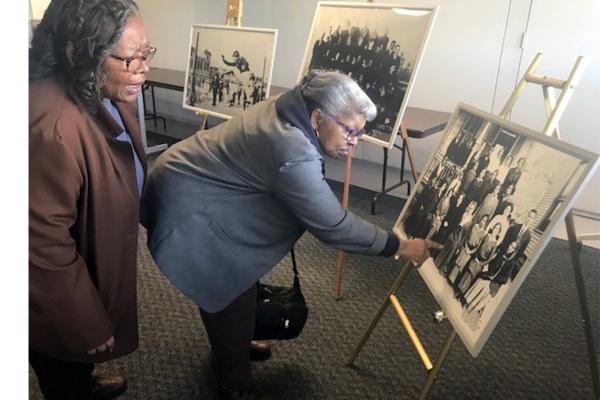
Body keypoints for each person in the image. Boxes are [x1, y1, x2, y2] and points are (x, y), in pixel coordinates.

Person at [141, 71, 440, 400]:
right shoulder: (294, 150)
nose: (354, 141)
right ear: (317, 117)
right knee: (227, 290)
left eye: (360, 134)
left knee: (238, 284)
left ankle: (236, 347)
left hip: (200, 184)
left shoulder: (289, 107)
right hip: (187, 205)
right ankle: (234, 385)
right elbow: (333, 225)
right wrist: (400, 246)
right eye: (350, 131)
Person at [29, 0, 151, 398]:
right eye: (130, 59)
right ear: (79, 52)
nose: (143, 69)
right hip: (52, 297)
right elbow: (40, 246)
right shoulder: (54, 129)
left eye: (146, 54)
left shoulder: (101, 88)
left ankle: (81, 380)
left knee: (74, 364)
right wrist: (83, 320)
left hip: (82, 265)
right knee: (60, 364)